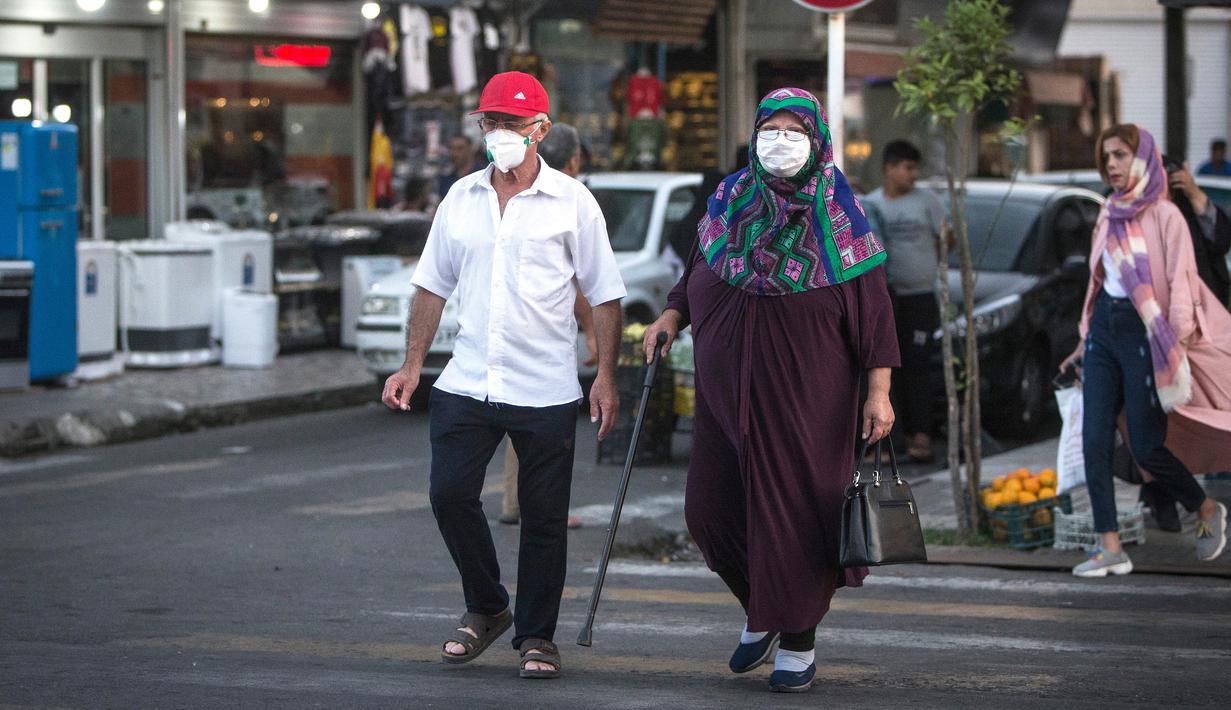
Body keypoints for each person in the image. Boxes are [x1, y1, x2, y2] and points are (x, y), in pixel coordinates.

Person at [642, 88, 899, 693]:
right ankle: (764, 610)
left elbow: (874, 311)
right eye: (770, 128)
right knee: (709, 512)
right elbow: (696, 267)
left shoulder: (840, 213)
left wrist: (878, 392)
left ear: (818, 140)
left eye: (794, 130)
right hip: (723, 391)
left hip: (809, 395)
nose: (779, 141)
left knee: (795, 517)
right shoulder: (731, 198)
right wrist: (672, 315)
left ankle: (797, 644)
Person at [381, 71, 626, 679]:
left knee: (544, 521)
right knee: (449, 494)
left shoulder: (574, 202)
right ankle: (488, 605)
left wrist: (606, 375)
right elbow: (431, 284)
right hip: (467, 379)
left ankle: (537, 637)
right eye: (491, 122)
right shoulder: (459, 198)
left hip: (543, 384)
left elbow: (605, 295)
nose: (500, 134)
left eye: (512, 124)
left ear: (540, 129)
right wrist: (413, 363)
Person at [1059, 124, 1231, 578]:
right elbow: (1098, 283)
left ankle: (1205, 506)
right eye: (1106, 158)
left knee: (1147, 445)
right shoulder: (1109, 212)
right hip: (1104, 332)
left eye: (1120, 155)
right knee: (1093, 439)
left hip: (1147, 334)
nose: (1112, 165)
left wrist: (1172, 344)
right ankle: (1109, 546)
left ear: (1142, 157)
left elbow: (1181, 284)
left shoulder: (1166, 216)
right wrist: (1083, 340)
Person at [499, 121, 592, 530]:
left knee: (518, 420)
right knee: (544, 426)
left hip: (508, 333)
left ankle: (514, 502)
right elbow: (583, 283)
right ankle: (539, 508)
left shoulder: (510, 192)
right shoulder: (571, 199)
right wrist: (591, 330)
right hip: (543, 339)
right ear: (574, 160)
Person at [861, 140, 949, 463]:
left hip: (920, 297)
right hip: (886, 298)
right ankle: (887, 441)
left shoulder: (928, 202)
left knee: (918, 366)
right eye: (907, 168)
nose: (913, 175)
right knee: (884, 370)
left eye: (915, 169)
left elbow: (947, 240)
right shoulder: (870, 205)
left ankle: (921, 436)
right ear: (889, 168)